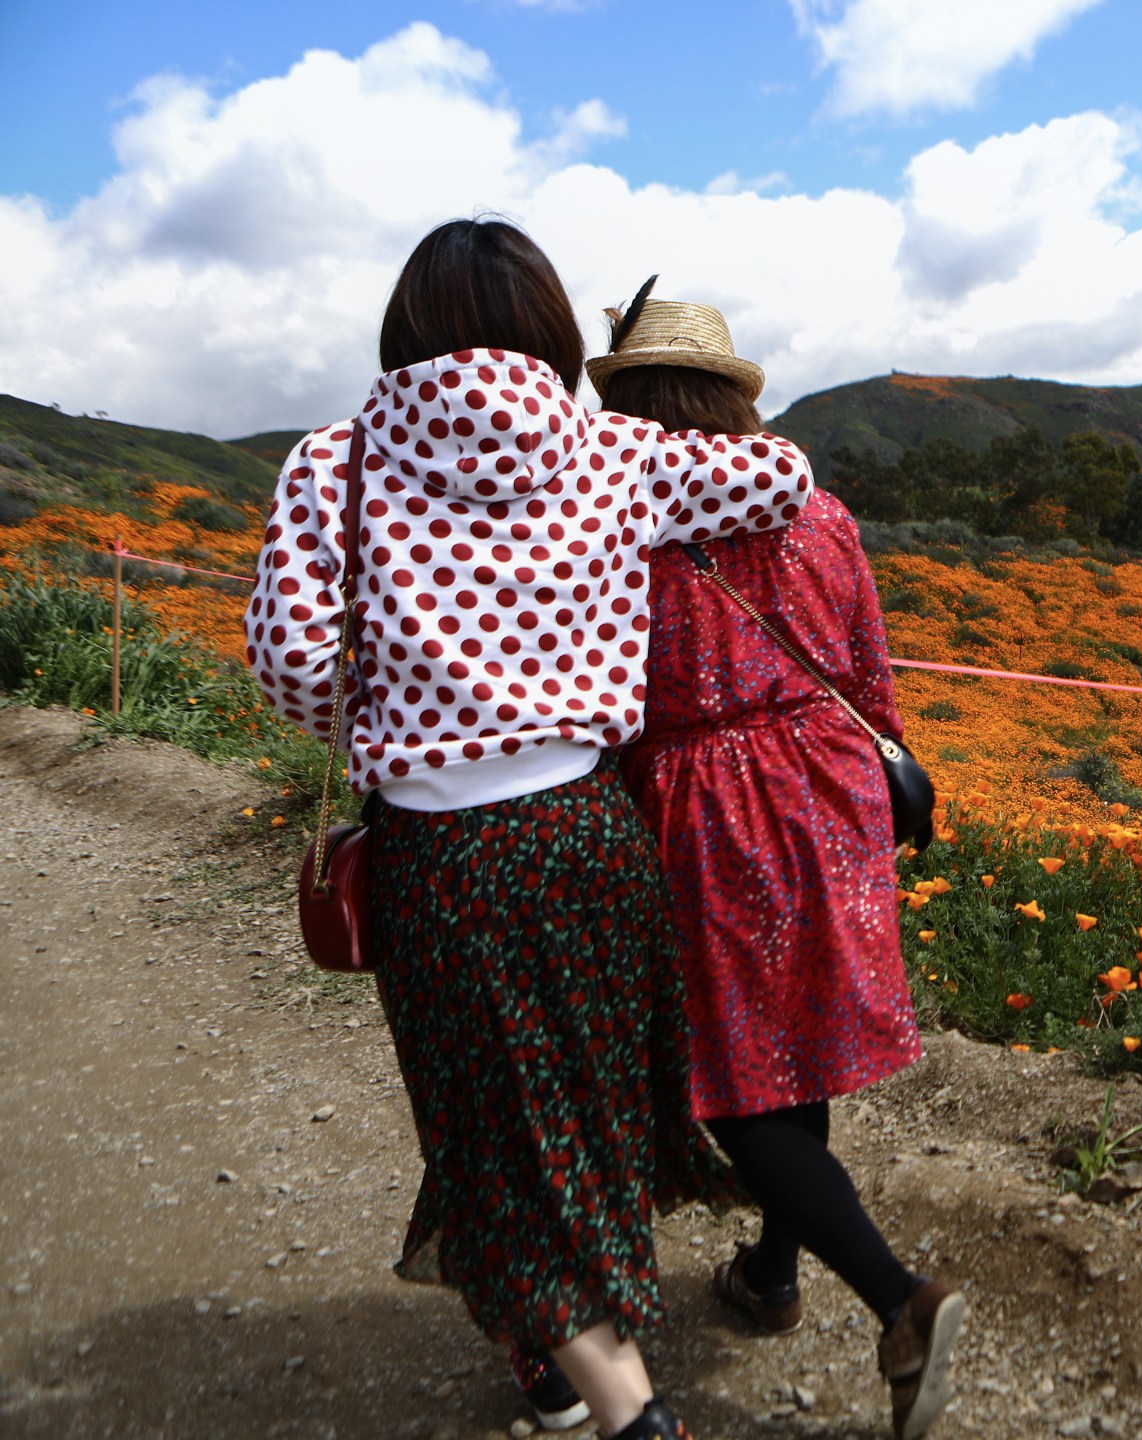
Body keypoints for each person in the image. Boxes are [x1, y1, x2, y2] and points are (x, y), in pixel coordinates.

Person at [245, 220, 813, 1440]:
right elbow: (788, 478)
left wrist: (386, 695)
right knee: (583, 1105)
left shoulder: (334, 463)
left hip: (444, 858)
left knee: (488, 1124)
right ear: (556, 332)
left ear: (403, 332)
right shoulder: (616, 451)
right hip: (592, 835)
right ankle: (558, 1356)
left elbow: (293, 665)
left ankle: (625, 1406)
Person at [591, 293, 966, 1440]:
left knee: (725, 1073)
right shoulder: (821, 510)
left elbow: (607, 709)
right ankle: (771, 1273)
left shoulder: (620, 527)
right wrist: (876, 775)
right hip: (832, 782)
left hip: (709, 805)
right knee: (792, 1039)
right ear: (731, 397)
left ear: (628, 404)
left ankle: (899, 1299)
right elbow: (867, 671)